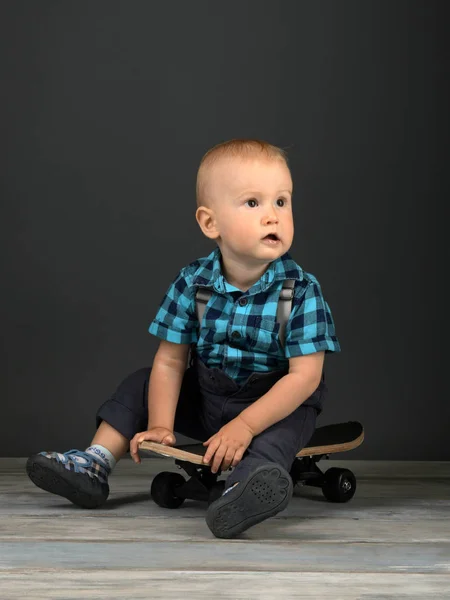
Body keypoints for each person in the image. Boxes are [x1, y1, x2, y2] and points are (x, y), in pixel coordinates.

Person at [26, 139, 341, 539]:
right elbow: (171, 362)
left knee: (284, 429)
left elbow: (305, 378)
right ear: (211, 224)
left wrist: (245, 425)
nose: (272, 217)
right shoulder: (193, 284)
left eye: (282, 202)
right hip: (210, 398)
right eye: (253, 203)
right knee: (142, 381)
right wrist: (160, 424)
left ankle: (246, 489)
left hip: (275, 405)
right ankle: (95, 463)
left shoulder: (299, 291)